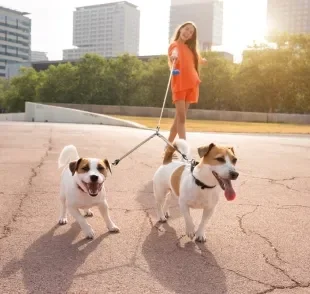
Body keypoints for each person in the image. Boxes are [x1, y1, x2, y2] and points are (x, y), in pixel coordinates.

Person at [164, 21, 207, 157]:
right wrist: (174, 56)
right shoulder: (174, 45)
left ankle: (167, 147)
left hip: (192, 84)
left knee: (178, 119)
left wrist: (202, 60)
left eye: (191, 32)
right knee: (181, 118)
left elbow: (197, 59)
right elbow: (174, 52)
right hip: (180, 84)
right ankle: (184, 151)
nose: (187, 33)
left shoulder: (191, 49)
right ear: (180, 28)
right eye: (186, 29)